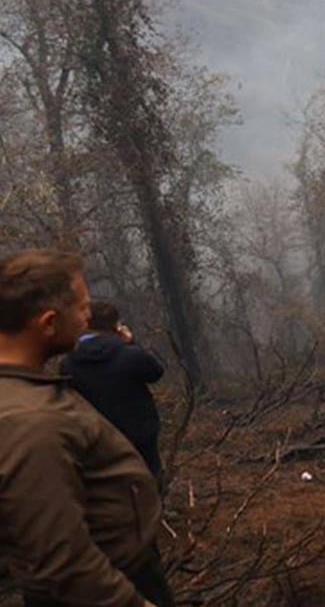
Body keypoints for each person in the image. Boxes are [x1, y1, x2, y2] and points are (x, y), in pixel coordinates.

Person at [0, 249, 171, 607]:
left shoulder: (27, 391)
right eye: (81, 307)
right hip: (111, 586)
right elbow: (63, 563)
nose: (88, 316)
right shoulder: (30, 422)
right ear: (47, 323)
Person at [61, 301, 166, 479]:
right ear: (116, 326)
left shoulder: (69, 363)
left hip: (95, 439)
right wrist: (131, 342)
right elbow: (156, 372)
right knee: (149, 482)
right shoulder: (130, 355)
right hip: (139, 435)